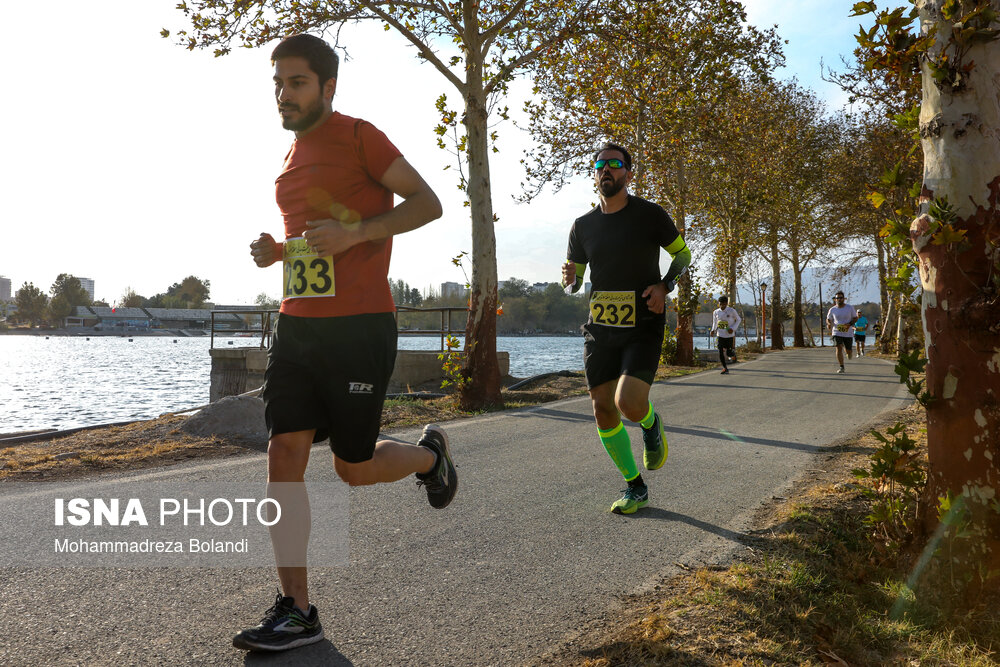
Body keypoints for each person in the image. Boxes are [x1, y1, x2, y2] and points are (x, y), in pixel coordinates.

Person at [233, 34, 455, 653]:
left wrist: (357, 232)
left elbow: (427, 203)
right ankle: (298, 609)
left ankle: (431, 458)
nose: (283, 94)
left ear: (328, 86)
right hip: (298, 325)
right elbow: (312, 242)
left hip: (359, 327)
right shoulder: (290, 157)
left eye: (296, 82)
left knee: (352, 469)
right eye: (277, 83)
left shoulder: (361, 136)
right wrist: (276, 253)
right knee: (283, 454)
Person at [562, 142, 691, 514]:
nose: (607, 170)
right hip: (601, 327)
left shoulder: (650, 215)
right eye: (600, 165)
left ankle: (650, 423)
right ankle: (635, 487)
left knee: (628, 403)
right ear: (595, 175)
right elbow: (576, 281)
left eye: (615, 164)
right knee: (603, 408)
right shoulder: (582, 226)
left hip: (644, 322)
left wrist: (665, 286)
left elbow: (682, 254)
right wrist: (569, 278)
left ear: (629, 174)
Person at [826, 291, 858, 374]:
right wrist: (829, 324)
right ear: (835, 299)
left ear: (843, 299)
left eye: (841, 298)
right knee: (838, 347)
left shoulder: (849, 308)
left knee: (848, 351)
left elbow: (855, 318)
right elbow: (828, 319)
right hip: (837, 331)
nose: (839, 299)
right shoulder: (832, 309)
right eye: (837, 298)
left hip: (848, 332)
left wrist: (850, 324)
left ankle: (848, 352)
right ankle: (841, 366)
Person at [709, 295, 742, 374]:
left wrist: (733, 328)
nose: (722, 306)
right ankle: (725, 368)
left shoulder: (731, 311)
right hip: (720, 334)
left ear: (726, 303)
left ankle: (733, 355)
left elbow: (738, 320)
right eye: (720, 304)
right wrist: (713, 330)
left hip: (729, 335)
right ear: (719, 303)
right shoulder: (716, 312)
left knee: (728, 353)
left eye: (724, 304)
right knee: (720, 351)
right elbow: (715, 322)